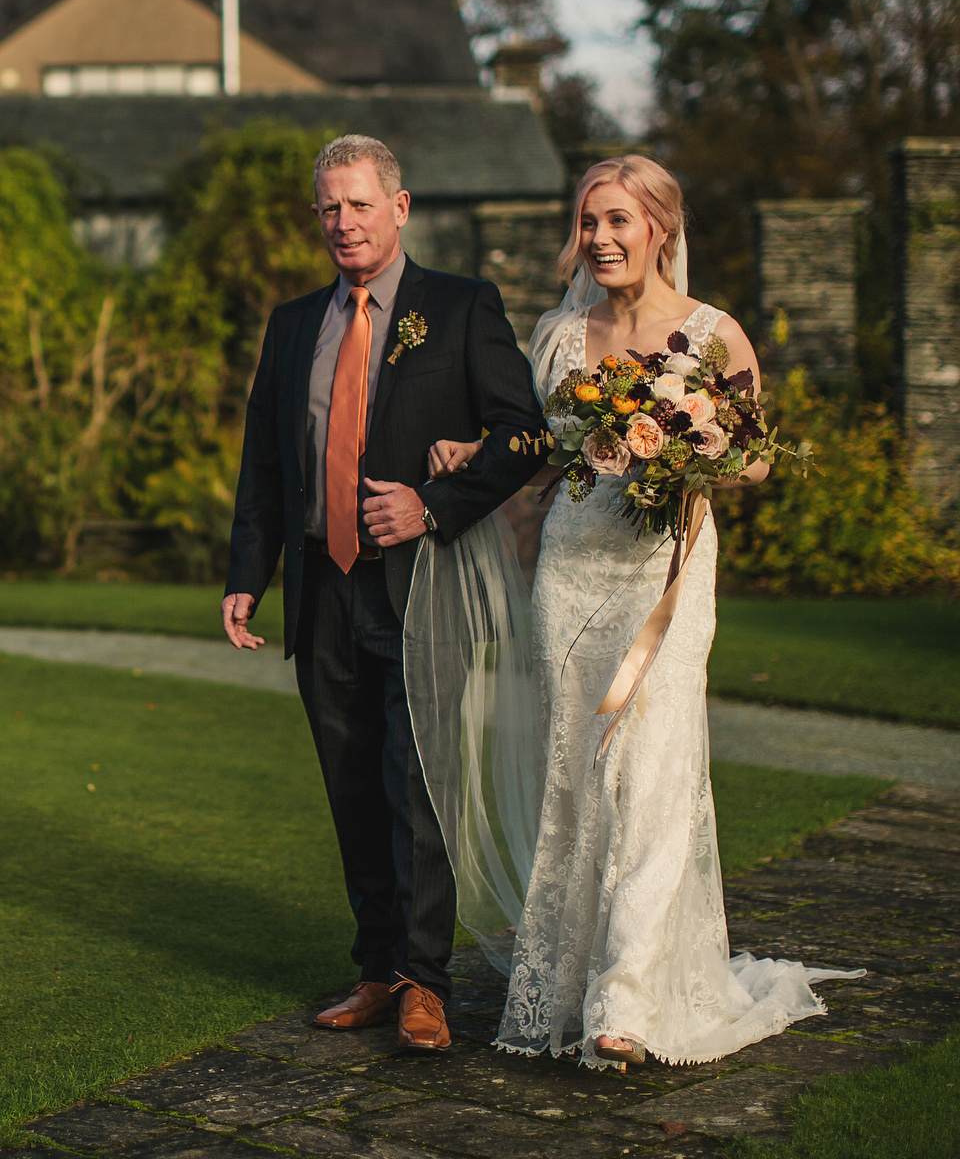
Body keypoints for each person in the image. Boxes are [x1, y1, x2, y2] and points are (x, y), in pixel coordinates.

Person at [428, 155, 862, 1068]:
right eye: (590, 222)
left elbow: (756, 462)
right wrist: (476, 450)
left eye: (620, 220)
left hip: (666, 576)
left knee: (654, 774)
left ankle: (626, 997)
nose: (602, 239)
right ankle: (566, 979)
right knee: (575, 776)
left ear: (661, 228)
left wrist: (689, 449)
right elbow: (540, 453)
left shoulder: (713, 334)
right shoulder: (558, 334)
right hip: (573, 574)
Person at [221, 134, 544, 1052]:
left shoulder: (461, 306)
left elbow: (526, 435)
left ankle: (425, 983)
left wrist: (434, 504)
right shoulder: (292, 325)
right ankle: (375, 967)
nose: (343, 222)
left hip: (421, 589)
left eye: (359, 204)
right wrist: (250, 576)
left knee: (418, 782)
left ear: (399, 209)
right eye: (328, 207)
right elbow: (265, 462)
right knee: (352, 783)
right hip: (322, 589)